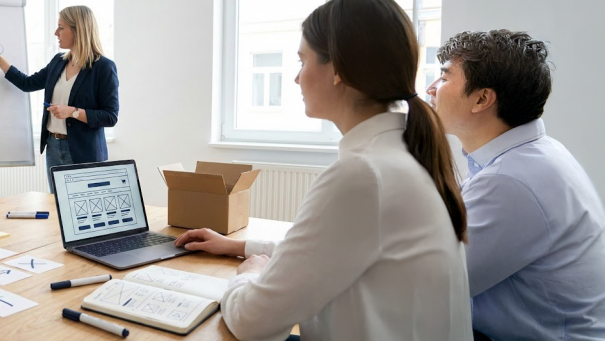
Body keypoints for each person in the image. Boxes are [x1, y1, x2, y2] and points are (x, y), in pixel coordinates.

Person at [174, 0, 472, 339]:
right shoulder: (407, 153)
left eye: (302, 61)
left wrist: (249, 274)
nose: (296, 77)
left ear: (338, 70)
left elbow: (252, 321)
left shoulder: (363, 175)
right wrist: (241, 247)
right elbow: (328, 249)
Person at [426, 30, 605, 340]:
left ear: (482, 98)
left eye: (444, 78)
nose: (431, 89)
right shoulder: (530, 154)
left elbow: (432, 285)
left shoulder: (510, 180)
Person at [0, 5, 118, 192]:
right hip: (54, 146)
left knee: (80, 212)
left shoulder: (103, 67)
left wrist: (73, 112)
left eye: (61, 27)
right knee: (57, 207)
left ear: (78, 29)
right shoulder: (58, 62)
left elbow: (110, 116)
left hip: (83, 151)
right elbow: (27, 83)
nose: (55, 32)